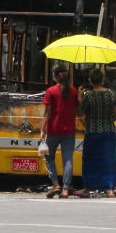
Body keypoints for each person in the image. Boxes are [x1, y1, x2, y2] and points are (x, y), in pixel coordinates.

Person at [77, 68, 116, 198]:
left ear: (90, 80)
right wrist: (109, 121)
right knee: (108, 160)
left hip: (92, 131)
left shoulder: (88, 95)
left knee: (90, 160)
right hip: (108, 131)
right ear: (102, 79)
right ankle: (110, 189)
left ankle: (87, 189)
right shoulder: (111, 94)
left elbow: (80, 113)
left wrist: (79, 98)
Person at [41, 64, 79, 198]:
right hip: (69, 130)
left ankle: (56, 184)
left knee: (48, 156)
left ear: (55, 76)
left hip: (54, 129)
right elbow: (75, 111)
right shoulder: (74, 91)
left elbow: (47, 112)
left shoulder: (51, 91)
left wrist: (42, 129)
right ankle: (65, 190)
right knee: (68, 159)